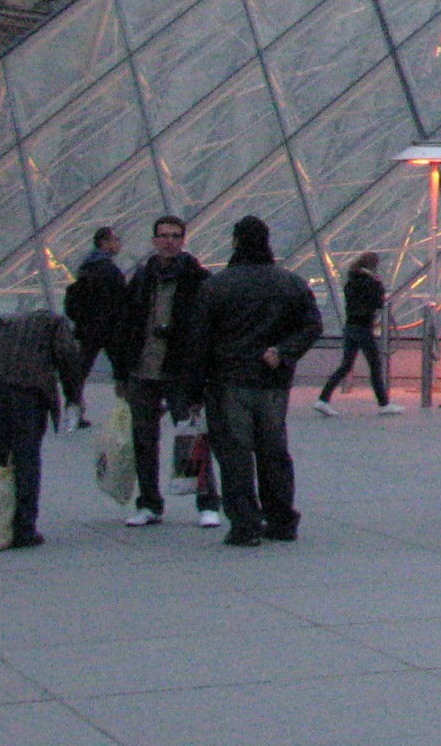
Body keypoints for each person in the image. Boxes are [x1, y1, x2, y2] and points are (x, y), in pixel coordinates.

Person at [184, 215, 322, 548]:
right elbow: (312, 325)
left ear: (235, 242)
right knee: (274, 453)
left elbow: (198, 341)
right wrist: (284, 351)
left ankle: (245, 525)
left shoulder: (217, 285)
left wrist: (192, 390)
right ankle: (281, 519)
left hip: (228, 381)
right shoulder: (290, 283)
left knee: (235, 456)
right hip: (273, 381)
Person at [112, 215, 221, 529]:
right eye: (163, 235)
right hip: (143, 368)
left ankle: (208, 502)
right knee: (143, 440)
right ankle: (149, 503)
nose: (169, 241)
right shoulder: (142, 277)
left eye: (174, 236)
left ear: (183, 240)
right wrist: (122, 371)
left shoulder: (199, 279)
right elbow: (125, 323)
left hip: (180, 371)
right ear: (154, 240)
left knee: (192, 438)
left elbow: (207, 328)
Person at [0, 307, 88, 548]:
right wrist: (74, 396)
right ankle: (24, 529)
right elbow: (68, 357)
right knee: (26, 459)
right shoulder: (55, 323)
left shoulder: (4, 324)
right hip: (28, 394)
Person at [314, 253, 402, 415]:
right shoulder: (370, 282)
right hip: (364, 328)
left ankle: (323, 399)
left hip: (350, 326)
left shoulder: (351, 281)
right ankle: (383, 403)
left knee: (346, 365)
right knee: (375, 365)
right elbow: (378, 302)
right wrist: (378, 283)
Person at [63, 227, 131, 408]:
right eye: (116, 240)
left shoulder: (86, 268)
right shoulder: (110, 271)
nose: (119, 244)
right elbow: (121, 302)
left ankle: (74, 407)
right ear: (104, 242)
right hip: (110, 330)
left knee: (80, 371)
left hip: (87, 329)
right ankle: (129, 406)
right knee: (122, 370)